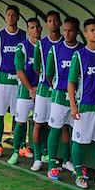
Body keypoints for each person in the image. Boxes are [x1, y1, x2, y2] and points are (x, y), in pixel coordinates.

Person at [67, 18, 95, 189]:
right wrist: (73, 105)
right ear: (85, 34)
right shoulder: (79, 55)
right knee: (79, 140)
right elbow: (71, 83)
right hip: (84, 104)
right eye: (92, 30)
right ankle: (78, 174)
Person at [46, 17, 85, 181]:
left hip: (77, 98)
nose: (67, 34)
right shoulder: (55, 50)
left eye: (71, 31)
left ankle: (73, 164)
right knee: (55, 129)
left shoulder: (82, 50)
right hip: (60, 96)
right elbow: (49, 74)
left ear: (77, 32)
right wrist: (57, 86)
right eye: (65, 30)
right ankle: (51, 166)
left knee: (77, 131)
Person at [0, 5, 26, 158]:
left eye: (13, 15)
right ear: (5, 17)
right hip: (3, 79)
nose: (11, 17)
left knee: (20, 114)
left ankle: (21, 145)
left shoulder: (24, 36)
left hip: (19, 81)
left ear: (18, 17)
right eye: (8, 15)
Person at [32, 11, 63, 170]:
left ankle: (58, 158)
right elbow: (37, 68)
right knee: (39, 123)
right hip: (44, 89)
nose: (53, 23)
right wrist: (46, 80)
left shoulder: (66, 42)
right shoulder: (41, 44)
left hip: (60, 92)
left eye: (55, 20)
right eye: (50, 21)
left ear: (60, 23)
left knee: (60, 126)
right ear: (46, 24)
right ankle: (37, 158)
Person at [13, 17, 42, 167]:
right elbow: (20, 71)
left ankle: (40, 154)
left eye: (37, 26)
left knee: (40, 122)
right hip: (25, 91)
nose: (35, 29)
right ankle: (15, 151)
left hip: (41, 91)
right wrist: (31, 89)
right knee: (20, 121)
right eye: (32, 27)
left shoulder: (45, 46)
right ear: (28, 30)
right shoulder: (22, 47)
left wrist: (39, 88)